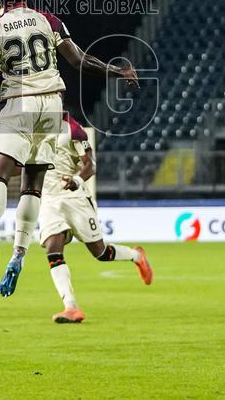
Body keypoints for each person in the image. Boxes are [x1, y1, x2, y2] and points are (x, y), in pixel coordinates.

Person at [0, 0, 138, 297]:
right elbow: (80, 60)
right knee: (33, 186)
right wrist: (117, 71)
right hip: (53, 104)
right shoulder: (48, 20)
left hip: (18, 99)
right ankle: (18, 255)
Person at [41, 111, 152, 323]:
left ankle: (137, 256)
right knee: (52, 249)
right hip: (48, 201)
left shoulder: (73, 129)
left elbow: (90, 166)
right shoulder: (34, 129)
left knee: (99, 252)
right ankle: (71, 307)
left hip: (74, 198)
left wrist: (76, 180)